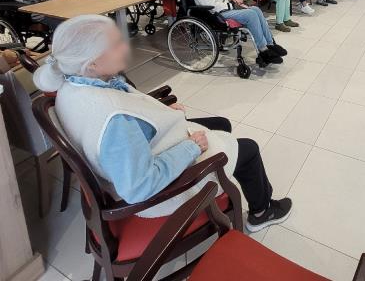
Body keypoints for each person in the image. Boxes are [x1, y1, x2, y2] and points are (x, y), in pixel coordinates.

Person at [33, 15, 291, 232]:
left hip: (141, 149)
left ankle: (234, 184)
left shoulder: (71, 85)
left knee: (221, 123)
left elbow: (125, 109)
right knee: (249, 149)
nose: (125, 47)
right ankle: (262, 212)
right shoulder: (113, 120)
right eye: (116, 44)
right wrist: (191, 147)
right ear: (92, 62)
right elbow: (139, 187)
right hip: (156, 192)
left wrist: (157, 109)